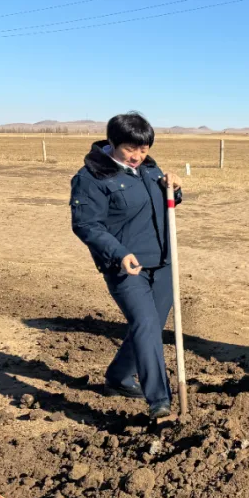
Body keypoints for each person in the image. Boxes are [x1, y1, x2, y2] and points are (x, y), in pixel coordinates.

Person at [69, 112, 182, 420]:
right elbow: (86, 225)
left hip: (162, 262)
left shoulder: (147, 167)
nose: (138, 156)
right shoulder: (91, 177)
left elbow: (162, 202)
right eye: (131, 149)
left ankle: (118, 377)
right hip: (125, 266)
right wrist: (118, 253)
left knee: (150, 327)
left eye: (144, 149)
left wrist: (173, 187)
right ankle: (159, 400)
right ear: (113, 143)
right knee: (145, 324)